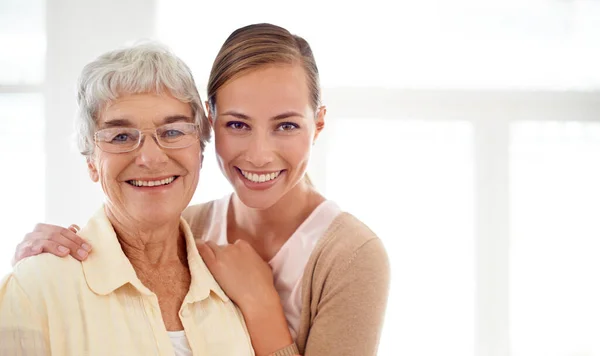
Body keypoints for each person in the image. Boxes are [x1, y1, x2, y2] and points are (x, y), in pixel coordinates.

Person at [12, 23, 390, 355]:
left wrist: (262, 308)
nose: (259, 156)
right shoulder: (183, 226)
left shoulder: (351, 255)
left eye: (286, 126)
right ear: (211, 124)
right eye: (238, 125)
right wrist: (39, 267)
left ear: (319, 123)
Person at [0, 42, 256, 356]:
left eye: (173, 132)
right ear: (92, 162)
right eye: (121, 136)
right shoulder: (37, 287)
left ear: (200, 151)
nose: (150, 157)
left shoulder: (232, 284)